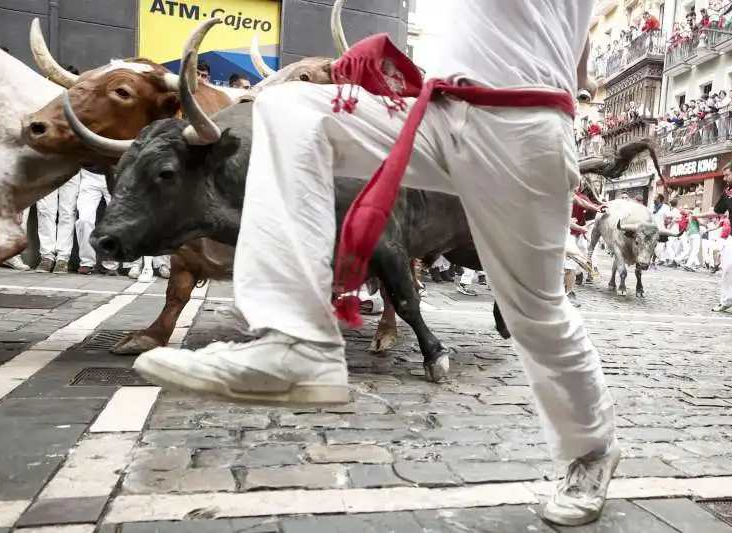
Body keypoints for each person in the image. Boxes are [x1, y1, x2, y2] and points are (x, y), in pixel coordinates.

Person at [133, 2, 619, 526]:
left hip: (521, 126)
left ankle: (591, 450)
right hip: (438, 110)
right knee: (289, 108)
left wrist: (575, 75)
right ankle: (297, 344)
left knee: (535, 313)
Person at [35, 65, 82, 274]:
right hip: (46, 165)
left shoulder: (82, 108)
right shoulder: (42, 105)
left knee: (66, 211)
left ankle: (62, 257)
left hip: (71, 165)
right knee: (45, 210)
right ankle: (46, 256)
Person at [697, 161, 732, 312]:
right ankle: (726, 301)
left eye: (726, 175)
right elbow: (717, 211)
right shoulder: (727, 193)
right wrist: (696, 215)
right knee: (727, 268)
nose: (724, 178)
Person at [75, 164, 121, 275]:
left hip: (117, 174)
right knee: (84, 220)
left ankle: (111, 264)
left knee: (115, 219)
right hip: (90, 174)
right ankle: (87, 262)